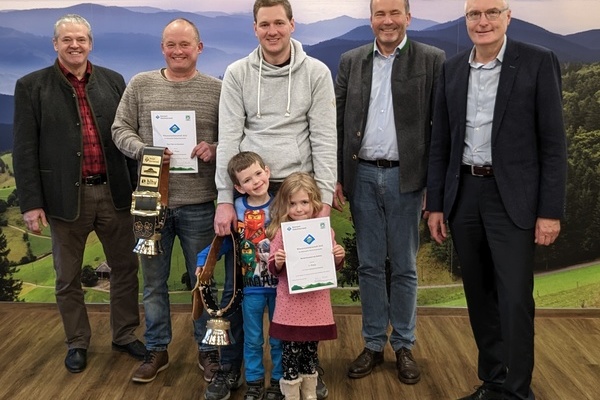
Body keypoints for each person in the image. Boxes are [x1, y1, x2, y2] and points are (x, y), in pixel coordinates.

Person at [426, 1, 567, 399]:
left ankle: (518, 391)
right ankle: (493, 381)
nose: (482, 21)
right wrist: (436, 203)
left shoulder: (538, 62)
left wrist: (550, 212)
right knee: (479, 293)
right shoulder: (451, 69)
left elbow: (554, 146)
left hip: (514, 199)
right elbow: (441, 143)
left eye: (491, 12)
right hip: (465, 194)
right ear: (465, 19)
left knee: (515, 298)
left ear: (508, 16)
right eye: (474, 14)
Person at [213, 1, 337, 398]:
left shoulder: (316, 72)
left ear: (291, 25)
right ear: (254, 28)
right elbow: (229, 137)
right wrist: (224, 197)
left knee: (302, 289)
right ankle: (240, 370)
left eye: (278, 23)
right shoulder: (237, 73)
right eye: (264, 24)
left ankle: (305, 371)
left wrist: (326, 199)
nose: (272, 30)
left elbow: (324, 136)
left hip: (299, 191)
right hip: (251, 189)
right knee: (248, 282)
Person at [111, 18, 243, 386]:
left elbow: (233, 137)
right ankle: (157, 349)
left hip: (201, 203)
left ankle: (207, 351)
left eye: (185, 44)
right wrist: (146, 151)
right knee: (152, 283)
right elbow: (119, 130)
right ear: (162, 47)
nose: (178, 51)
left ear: (199, 48)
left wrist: (214, 149)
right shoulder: (141, 84)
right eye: (171, 44)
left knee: (202, 283)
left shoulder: (217, 89)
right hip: (152, 204)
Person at [12, 14, 144, 374]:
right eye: (67, 39)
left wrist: (137, 190)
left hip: (115, 192)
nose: (75, 45)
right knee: (66, 277)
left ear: (91, 43)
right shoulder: (31, 86)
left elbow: (126, 136)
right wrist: (31, 203)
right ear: (55, 44)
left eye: (81, 39)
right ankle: (77, 342)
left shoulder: (114, 81)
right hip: (63, 200)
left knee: (125, 269)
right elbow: (24, 149)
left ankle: (125, 333)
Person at [334, 0, 445, 385]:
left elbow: (440, 128)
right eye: (380, 14)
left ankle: (403, 345)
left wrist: (436, 184)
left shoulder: (432, 59)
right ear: (371, 20)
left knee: (403, 265)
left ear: (408, 18)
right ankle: (372, 343)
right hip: (361, 175)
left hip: (408, 179)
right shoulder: (351, 60)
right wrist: (336, 176)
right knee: (368, 264)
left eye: (394, 13)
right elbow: (338, 118)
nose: (387, 21)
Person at [266, 172, 345, 400]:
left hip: (316, 307)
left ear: (314, 202)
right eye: (292, 204)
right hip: (290, 307)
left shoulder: (324, 232)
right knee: (289, 356)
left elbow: (330, 265)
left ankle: (309, 395)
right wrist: (278, 261)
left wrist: (338, 256)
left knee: (310, 355)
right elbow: (273, 267)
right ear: (285, 205)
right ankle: (291, 396)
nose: (299, 209)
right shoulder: (281, 233)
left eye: (304, 202)